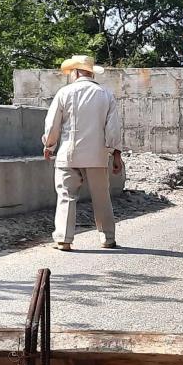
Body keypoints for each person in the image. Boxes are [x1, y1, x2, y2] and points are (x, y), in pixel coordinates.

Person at [42, 55, 123, 251]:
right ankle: (107, 238)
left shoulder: (65, 93)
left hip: (69, 153)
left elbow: (53, 124)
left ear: (76, 72)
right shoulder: (106, 94)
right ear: (91, 71)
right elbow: (113, 128)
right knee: (101, 197)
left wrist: (49, 145)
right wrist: (115, 154)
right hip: (97, 154)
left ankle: (64, 238)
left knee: (66, 195)